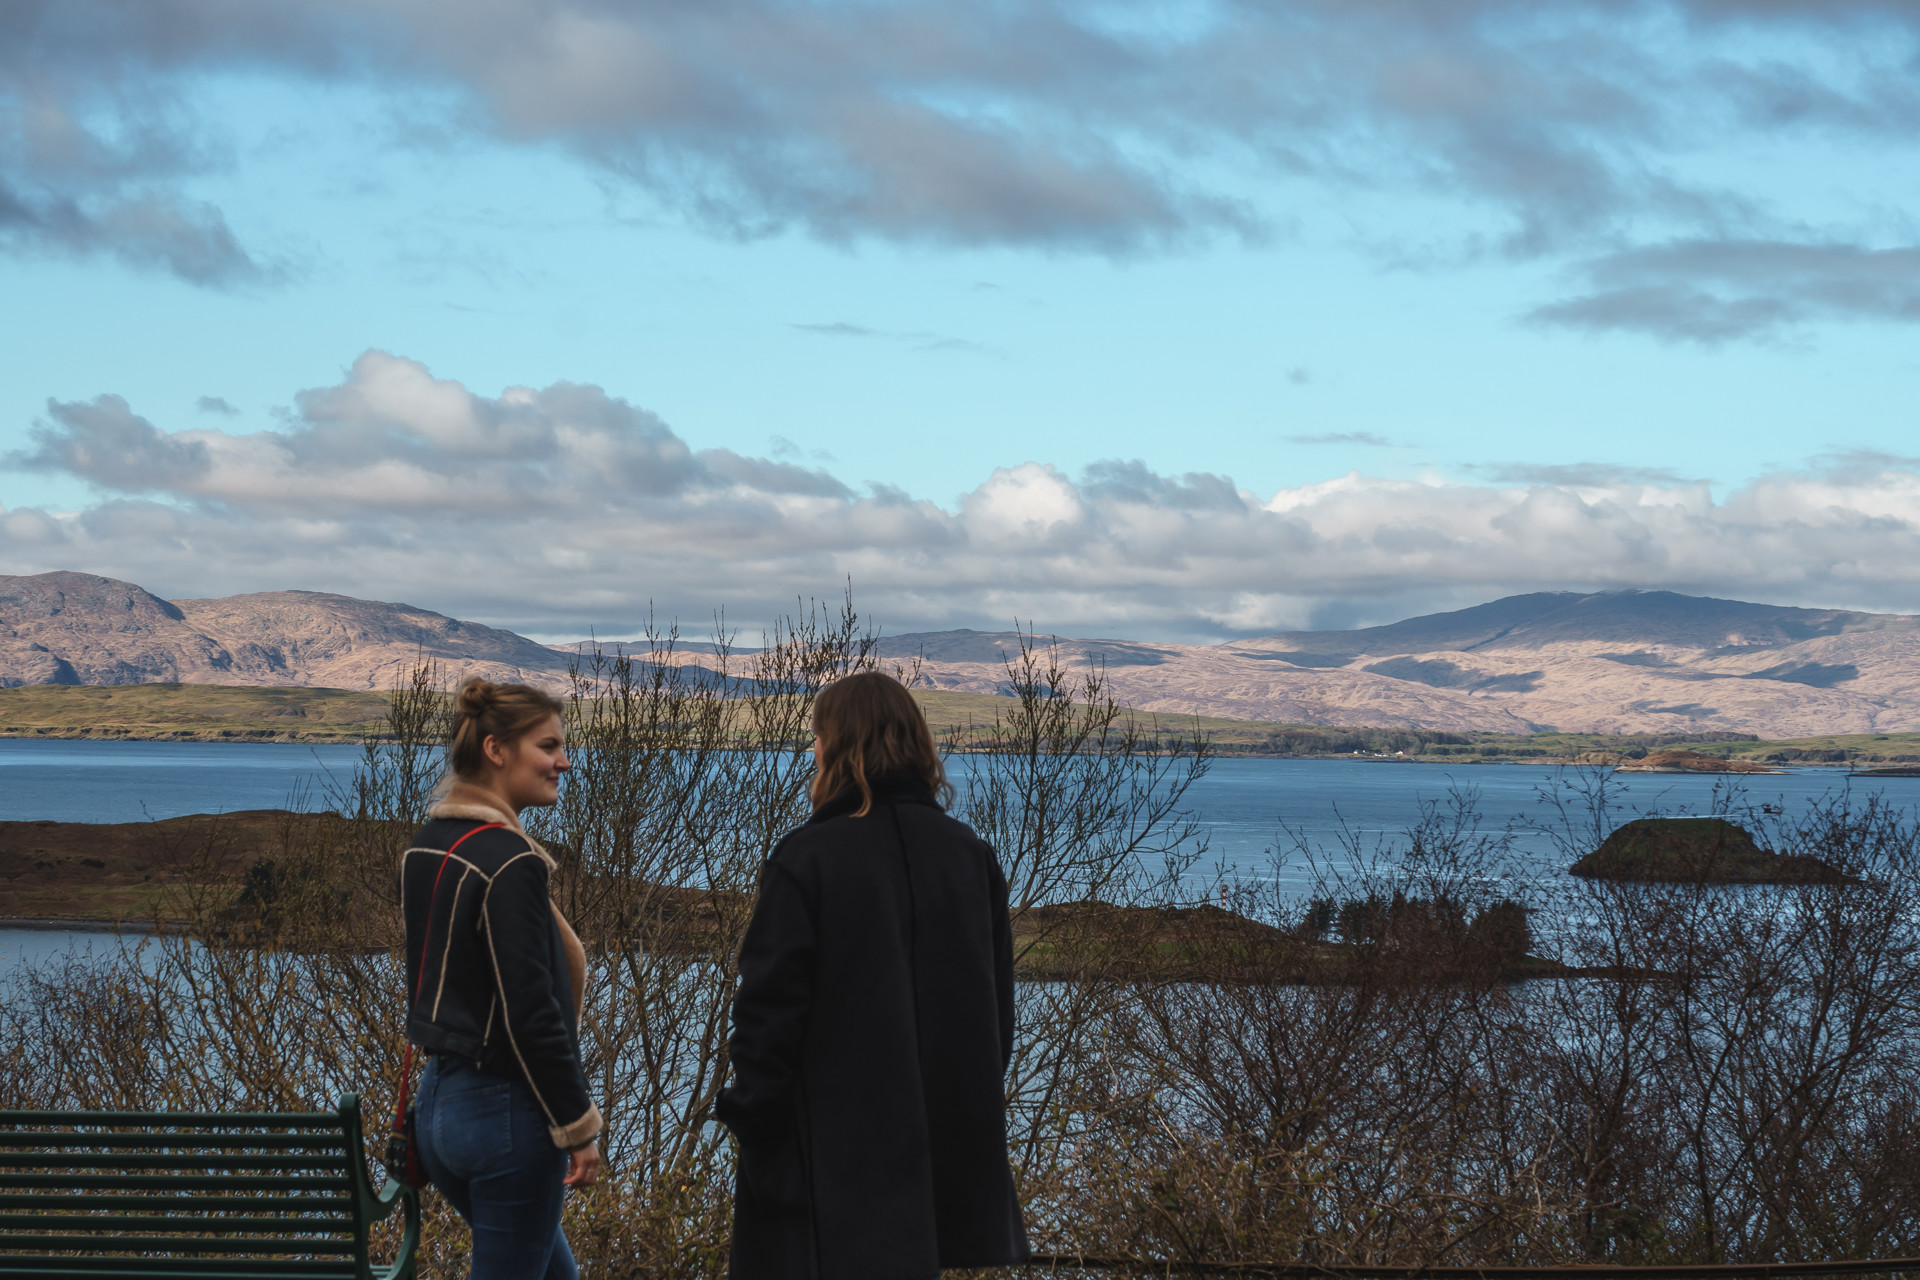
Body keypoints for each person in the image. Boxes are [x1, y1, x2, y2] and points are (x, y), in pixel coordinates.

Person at [716, 670, 1030, 1280]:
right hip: (940, 1163)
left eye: (817, 737)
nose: (813, 750)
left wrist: (750, 1120)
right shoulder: (970, 855)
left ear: (837, 745)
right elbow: (997, 1019)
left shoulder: (806, 859)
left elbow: (766, 1016)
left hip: (823, 1168)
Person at [400, 677, 602, 1280]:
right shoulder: (510, 862)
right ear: (496, 749)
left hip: (439, 1112)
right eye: (548, 747)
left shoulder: (428, 845)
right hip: (506, 1120)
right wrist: (578, 1126)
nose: (564, 761)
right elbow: (530, 1012)